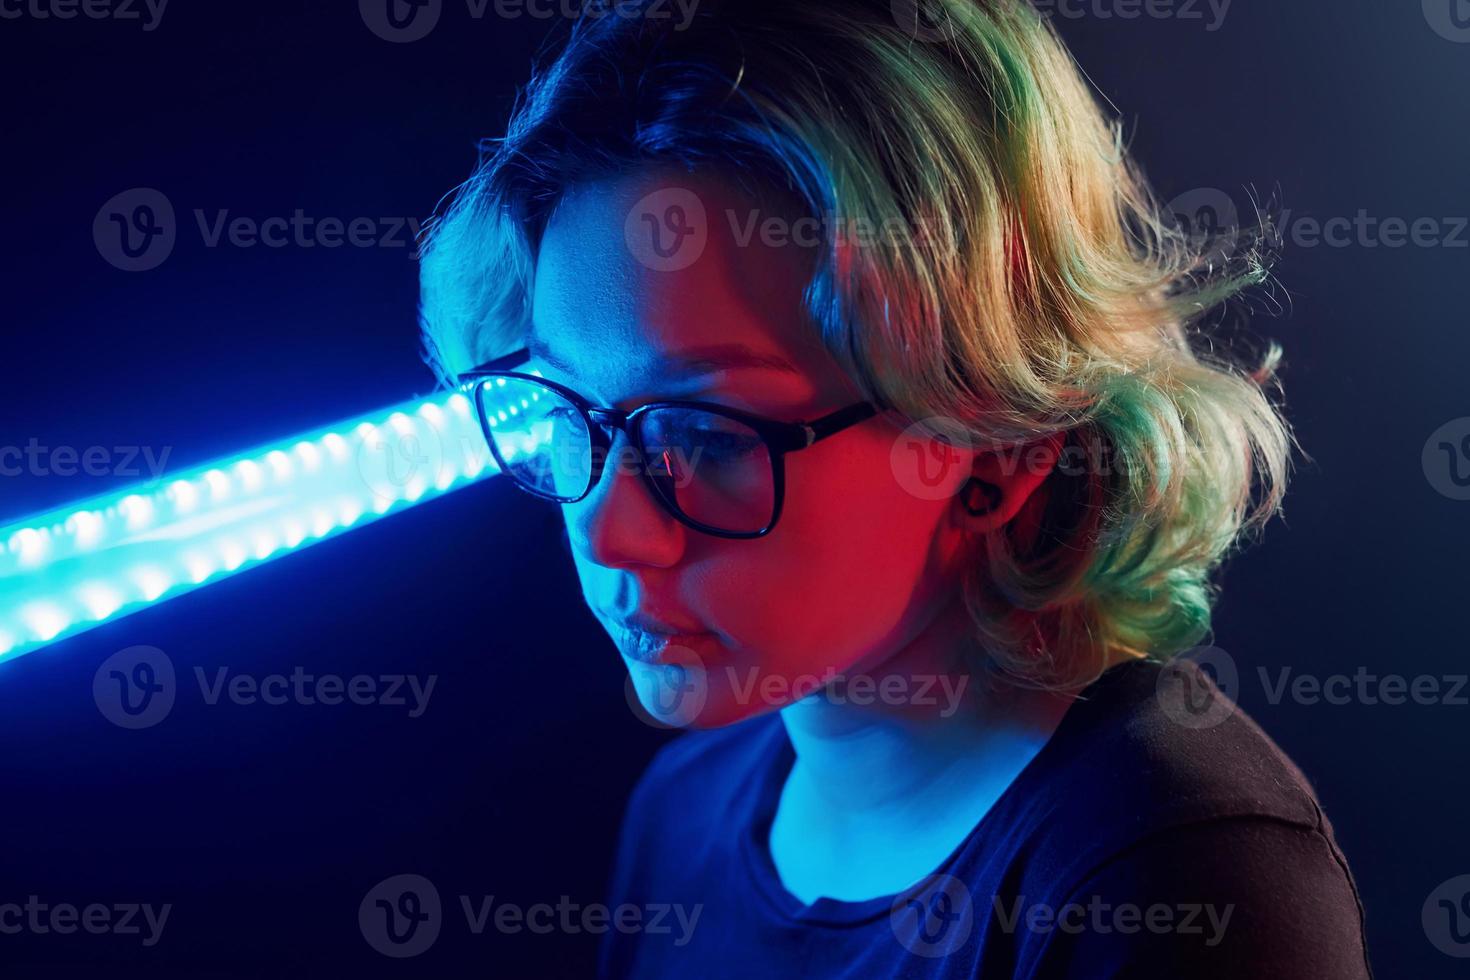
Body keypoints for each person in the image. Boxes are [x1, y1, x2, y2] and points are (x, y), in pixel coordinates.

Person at [417, 0, 1373, 975]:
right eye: (563, 406)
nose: (608, 530)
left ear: (998, 439)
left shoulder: (1174, 869)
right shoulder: (681, 811)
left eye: (705, 435)